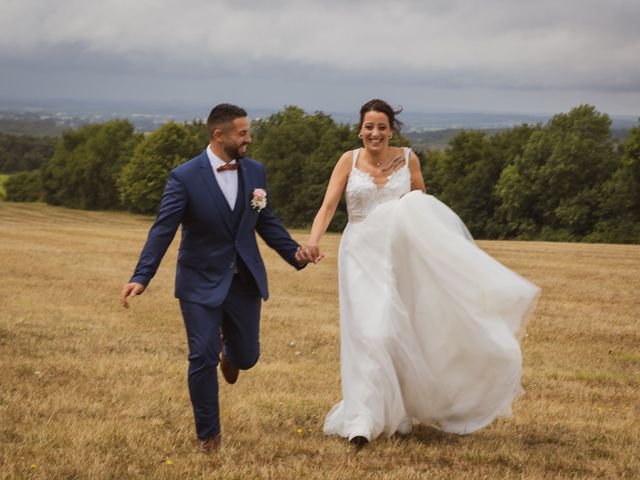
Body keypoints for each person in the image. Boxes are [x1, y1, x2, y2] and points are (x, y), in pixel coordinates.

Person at [304, 99, 540, 446]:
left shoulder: (409, 158)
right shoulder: (348, 160)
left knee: (397, 330)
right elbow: (327, 206)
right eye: (369, 126)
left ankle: (398, 411)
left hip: (400, 253)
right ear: (360, 129)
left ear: (391, 129)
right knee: (367, 332)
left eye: (382, 127)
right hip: (359, 254)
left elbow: (423, 205)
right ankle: (363, 418)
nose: (375, 133)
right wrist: (313, 241)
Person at [119, 103, 312, 452]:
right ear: (219, 135)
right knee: (201, 357)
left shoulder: (255, 172)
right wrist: (142, 275)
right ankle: (208, 435)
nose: (249, 138)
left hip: (244, 281)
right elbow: (163, 229)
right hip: (198, 281)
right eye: (242, 133)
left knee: (248, 357)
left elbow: (265, 220)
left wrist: (295, 253)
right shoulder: (184, 177)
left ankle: (231, 353)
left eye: (248, 132)